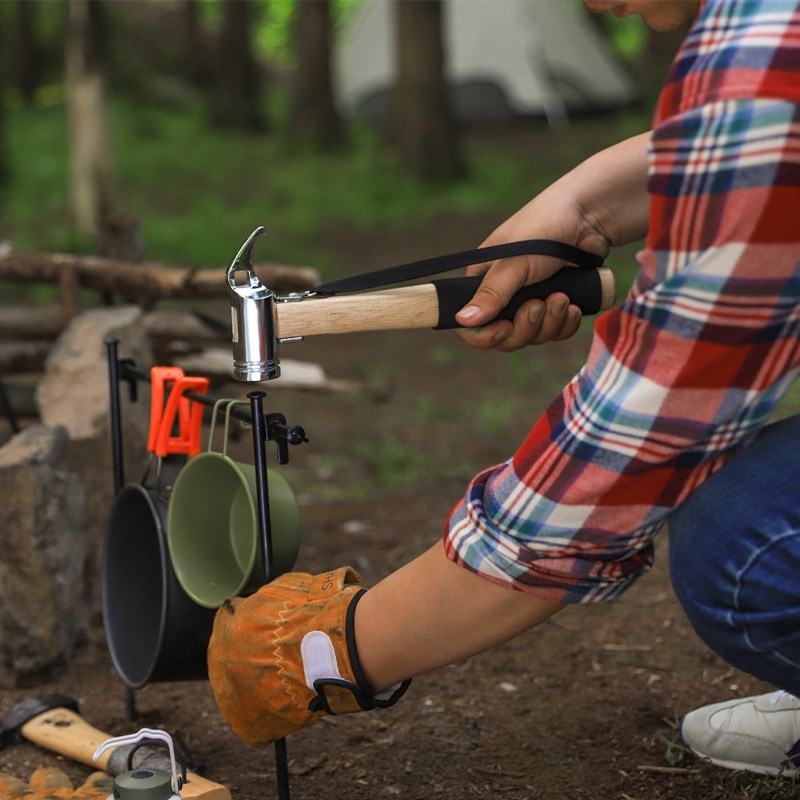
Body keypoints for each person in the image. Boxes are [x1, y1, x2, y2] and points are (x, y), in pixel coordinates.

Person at [207, 0, 800, 780]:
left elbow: (642, 444)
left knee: (741, 545)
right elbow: (763, 154)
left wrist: (336, 646)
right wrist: (585, 202)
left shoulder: (765, 45)